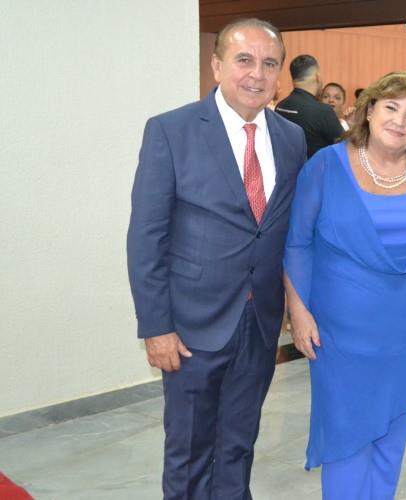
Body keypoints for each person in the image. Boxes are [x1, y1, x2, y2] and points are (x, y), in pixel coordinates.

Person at [126, 18, 306, 499]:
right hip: (190, 327)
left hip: (260, 323)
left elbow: (287, 231)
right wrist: (156, 327)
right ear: (217, 65)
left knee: (238, 447)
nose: (256, 74)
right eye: (244, 60)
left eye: (269, 63)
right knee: (188, 451)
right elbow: (146, 237)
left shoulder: (292, 138)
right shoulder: (171, 130)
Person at [284, 72, 406, 499]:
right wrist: (298, 311)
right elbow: (297, 241)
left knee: (391, 445)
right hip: (340, 338)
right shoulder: (326, 165)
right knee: (347, 443)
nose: (400, 121)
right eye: (391, 107)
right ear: (370, 110)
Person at [276, 54, 344, 158]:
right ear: (318, 77)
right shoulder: (323, 112)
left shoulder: (280, 107)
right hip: (313, 168)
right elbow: (345, 149)